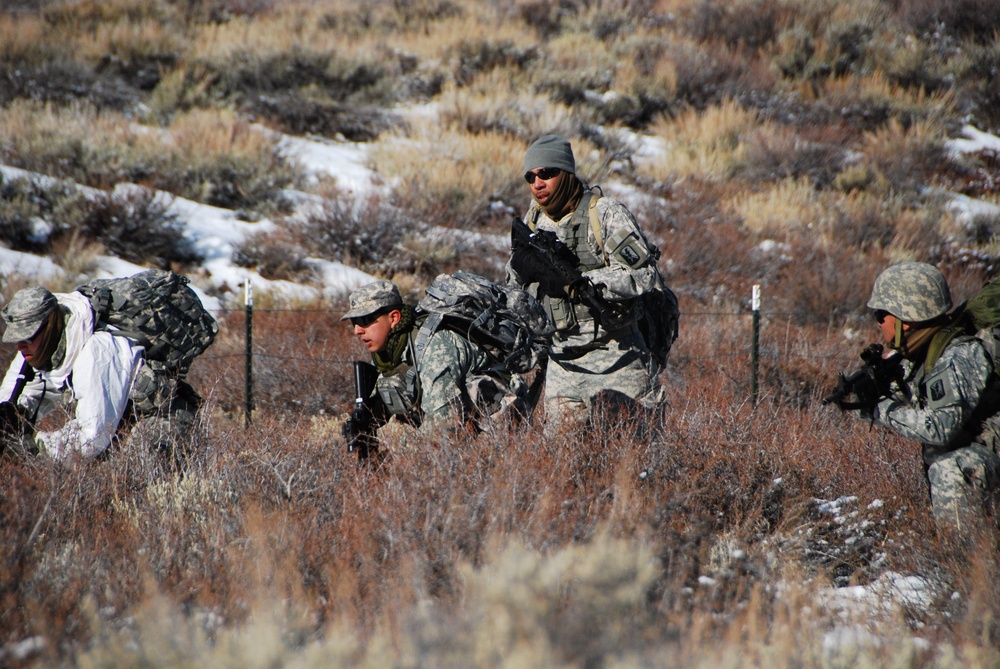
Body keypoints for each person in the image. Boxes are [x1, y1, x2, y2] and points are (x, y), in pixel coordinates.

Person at [506, 134, 663, 430]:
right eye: (531, 176)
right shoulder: (531, 222)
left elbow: (645, 275)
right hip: (562, 360)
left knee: (635, 455)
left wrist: (584, 284)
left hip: (618, 354)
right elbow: (513, 286)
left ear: (566, 173)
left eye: (547, 173)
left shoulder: (603, 213)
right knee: (562, 463)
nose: (537, 183)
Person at [861, 262, 1000, 531]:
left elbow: (938, 428)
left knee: (950, 469)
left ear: (907, 318)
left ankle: (968, 566)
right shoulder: (920, 351)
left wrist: (881, 410)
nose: (878, 322)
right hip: (987, 447)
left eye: (882, 313)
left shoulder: (958, 355)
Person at [0, 284, 199, 460]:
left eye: (27, 337)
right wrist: (12, 418)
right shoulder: (39, 347)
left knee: (129, 470)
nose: (20, 346)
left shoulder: (95, 352)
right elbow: (25, 391)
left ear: (49, 326)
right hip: (120, 424)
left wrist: (36, 447)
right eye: (17, 339)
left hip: (166, 423)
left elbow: (92, 436)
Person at [341, 279, 525, 443]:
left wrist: (397, 457)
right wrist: (363, 424)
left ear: (394, 318)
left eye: (365, 320)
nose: (357, 330)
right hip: (462, 433)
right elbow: (382, 403)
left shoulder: (436, 346)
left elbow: (443, 426)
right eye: (354, 322)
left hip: (500, 430)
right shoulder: (389, 352)